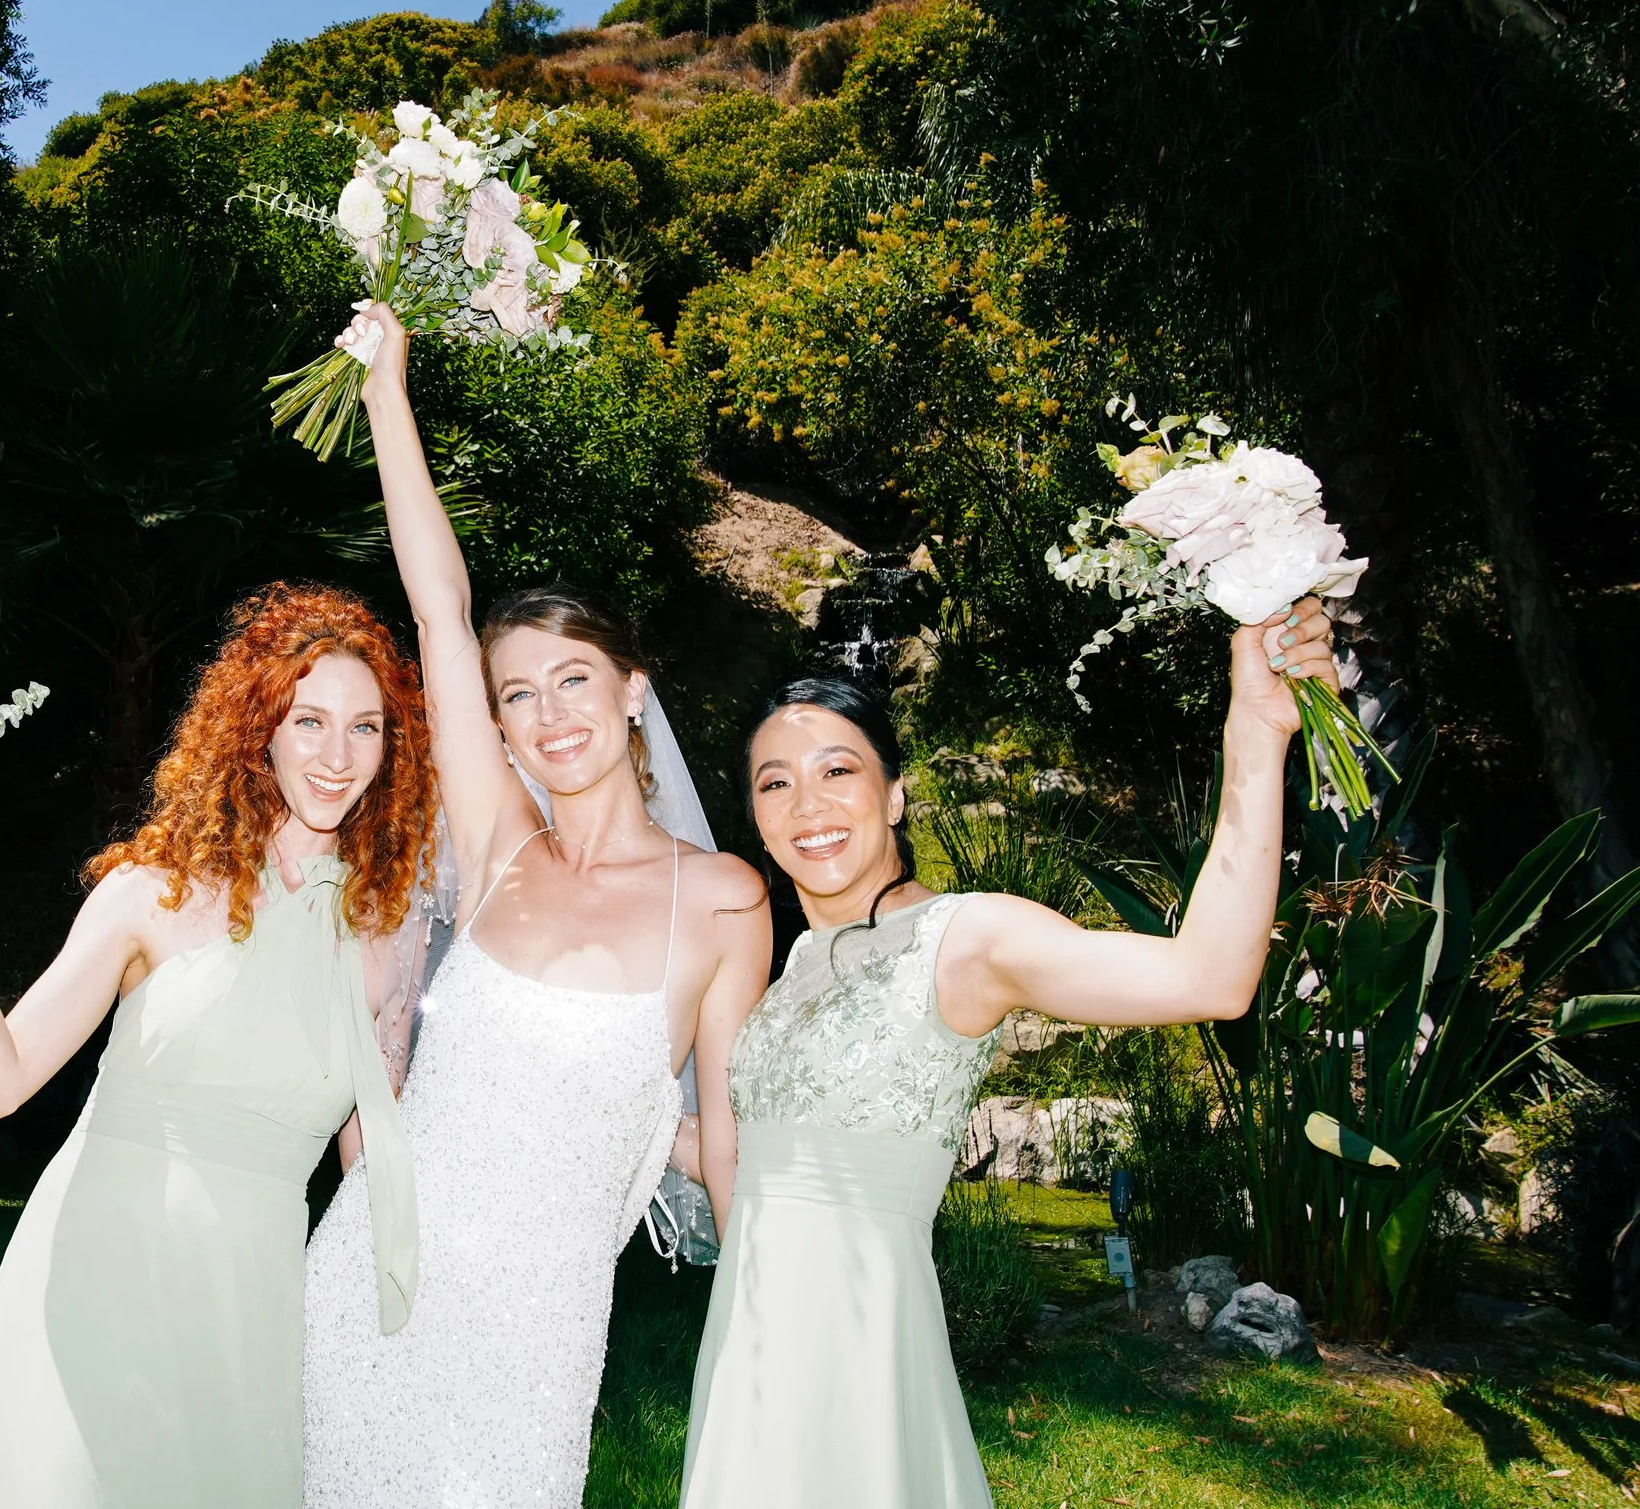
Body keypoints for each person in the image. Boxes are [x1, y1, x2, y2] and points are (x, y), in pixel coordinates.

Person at [680, 601, 1340, 1507]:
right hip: (750, 1335)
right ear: (753, 813)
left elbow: (1212, 976)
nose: (810, 805)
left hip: (862, 1339)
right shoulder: (794, 962)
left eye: (839, 769)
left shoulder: (967, 938)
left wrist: (1256, 732)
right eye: (775, 782)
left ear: (896, 792)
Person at [302, 304, 773, 1509]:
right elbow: (437, 610)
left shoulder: (721, 903)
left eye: (575, 679)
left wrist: (772, 1309)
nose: (550, 712)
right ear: (498, 727)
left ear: (631, 691)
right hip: (371, 1272)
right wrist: (385, 396)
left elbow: (724, 1132)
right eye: (519, 695)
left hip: (539, 1336)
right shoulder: (497, 847)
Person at [0, 583, 433, 1509]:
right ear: (258, 726)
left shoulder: (387, 932)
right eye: (309, 720)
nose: (338, 757)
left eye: (366, 727)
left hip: (246, 1315)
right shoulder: (154, 890)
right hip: (96, 1280)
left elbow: (371, 1163)